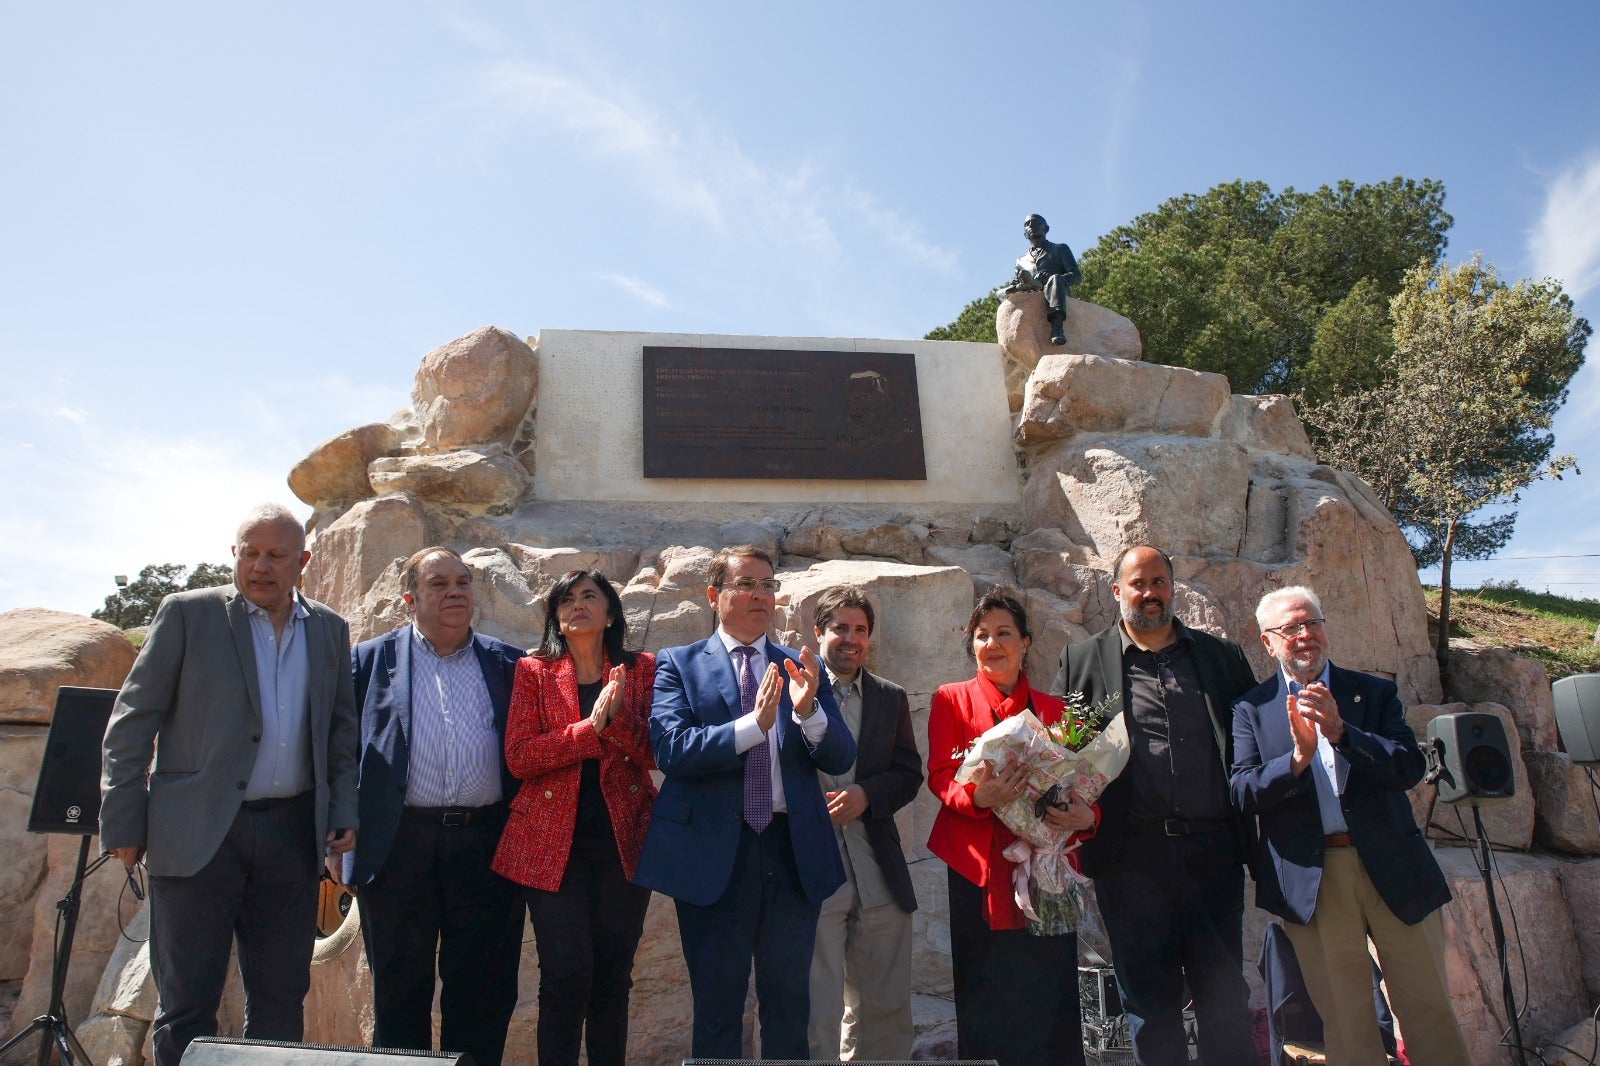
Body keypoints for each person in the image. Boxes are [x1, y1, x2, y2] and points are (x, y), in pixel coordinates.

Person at [99, 504, 359, 1066]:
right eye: (250, 552)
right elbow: (132, 719)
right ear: (234, 554)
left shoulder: (331, 631)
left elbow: (341, 729)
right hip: (194, 837)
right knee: (187, 1005)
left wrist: (343, 808)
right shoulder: (187, 614)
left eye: (276, 556)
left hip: (292, 836)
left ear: (303, 562)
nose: (260, 566)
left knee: (280, 1002)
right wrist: (123, 820)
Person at [633, 545, 856, 1059]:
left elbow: (841, 755)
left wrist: (809, 715)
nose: (761, 595)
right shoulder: (678, 664)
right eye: (747, 584)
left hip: (789, 852)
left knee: (788, 1006)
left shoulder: (800, 667)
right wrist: (749, 729)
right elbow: (670, 749)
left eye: (768, 585)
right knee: (717, 1007)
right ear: (715, 596)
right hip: (715, 859)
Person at [1231, 586, 1470, 1064]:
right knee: (1345, 1021)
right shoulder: (1251, 710)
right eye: (1291, 628)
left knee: (1428, 1009)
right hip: (1315, 879)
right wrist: (1296, 759)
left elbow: (1407, 767)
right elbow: (1241, 791)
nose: (1305, 635)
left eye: (1312, 623)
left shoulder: (1374, 692)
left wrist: (1342, 733)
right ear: (1267, 642)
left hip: (1392, 865)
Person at [1051, 545, 1259, 1066]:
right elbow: (1057, 754)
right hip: (1130, 860)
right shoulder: (1083, 662)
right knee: (1149, 1008)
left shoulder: (1221, 658)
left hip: (1213, 853)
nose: (1149, 593)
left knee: (1225, 1001)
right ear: (1116, 590)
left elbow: (1255, 740)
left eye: (1159, 581)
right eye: (1138, 583)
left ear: (1172, 585)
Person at [345, 547, 525, 1066]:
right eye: (440, 583)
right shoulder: (367, 661)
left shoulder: (509, 663)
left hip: (487, 847)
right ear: (410, 598)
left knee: (483, 998)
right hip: (397, 847)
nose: (455, 592)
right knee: (399, 999)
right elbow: (341, 753)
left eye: (463, 582)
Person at [491, 569, 658, 1066]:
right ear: (556, 619)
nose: (577, 605)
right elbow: (519, 756)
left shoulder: (642, 669)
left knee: (613, 974)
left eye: (590, 596)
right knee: (564, 974)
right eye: (566, 599)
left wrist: (618, 718)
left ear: (610, 614)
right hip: (549, 846)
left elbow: (653, 752)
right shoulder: (533, 672)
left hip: (622, 843)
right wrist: (591, 729)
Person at [927, 587, 1097, 1066]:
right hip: (978, 870)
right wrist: (979, 796)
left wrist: (1087, 818)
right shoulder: (951, 700)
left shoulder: (1057, 711)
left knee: (1051, 990)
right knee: (983, 994)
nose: (992, 644)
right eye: (981, 636)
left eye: (1004, 633)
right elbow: (941, 774)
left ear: (1025, 642)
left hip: (1047, 872)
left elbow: (1086, 787)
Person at [806, 586, 922, 1061]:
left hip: (878, 870)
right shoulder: (799, 690)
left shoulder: (889, 698)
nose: (851, 639)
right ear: (818, 633)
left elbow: (908, 774)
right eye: (840, 628)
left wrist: (866, 795)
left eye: (860, 630)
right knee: (816, 1008)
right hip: (813, 872)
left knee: (885, 1008)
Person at [1002, 212, 1082, 345]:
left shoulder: (1060, 249)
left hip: (1057, 293)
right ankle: (1033, 284)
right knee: (1005, 292)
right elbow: (1015, 283)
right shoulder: (1021, 261)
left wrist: (1054, 279)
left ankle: (1057, 327)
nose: (1031, 226)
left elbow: (1077, 276)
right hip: (1032, 292)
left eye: (1036, 222)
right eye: (1027, 224)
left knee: (1054, 279)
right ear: (1024, 234)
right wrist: (1024, 284)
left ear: (1046, 229)